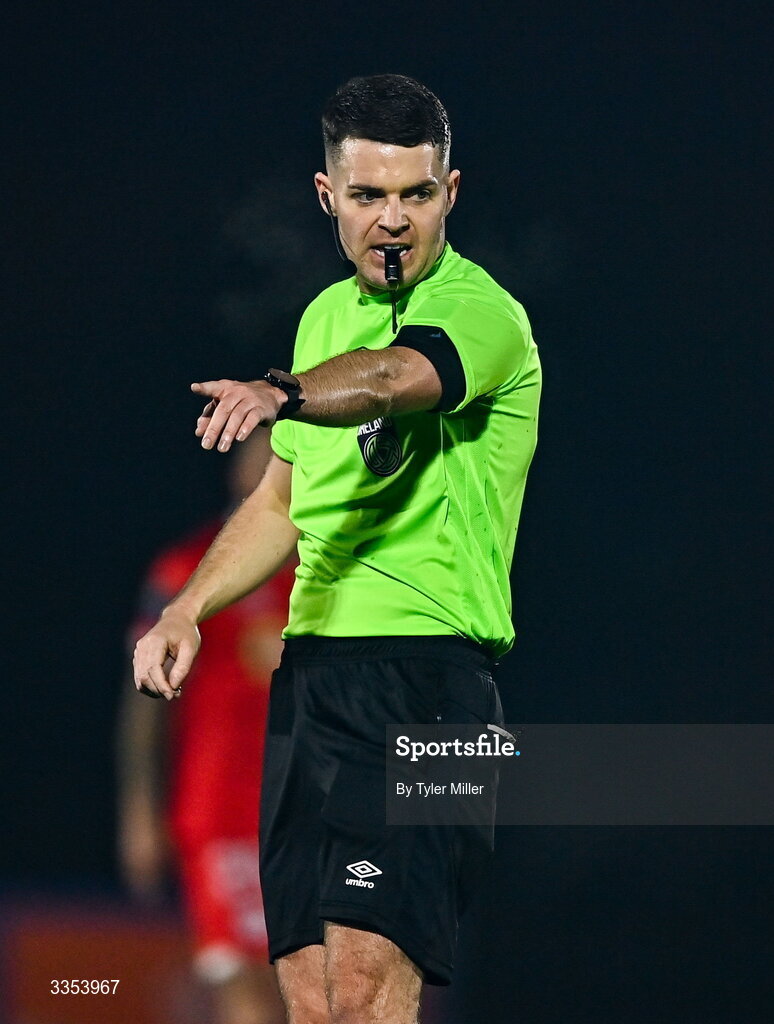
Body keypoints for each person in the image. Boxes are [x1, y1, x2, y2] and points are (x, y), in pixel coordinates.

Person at [134, 73, 541, 1024]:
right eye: (368, 196)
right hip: (313, 687)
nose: (392, 220)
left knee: (364, 993)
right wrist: (189, 609)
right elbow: (282, 502)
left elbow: (397, 374)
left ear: (449, 193)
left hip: (428, 682)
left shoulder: (483, 313)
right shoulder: (323, 320)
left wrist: (281, 389)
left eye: (414, 194)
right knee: (313, 1004)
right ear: (329, 197)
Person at [119, 432, 290, 1024]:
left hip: (314, 810)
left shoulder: (335, 571)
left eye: (284, 452)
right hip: (221, 809)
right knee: (245, 985)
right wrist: (140, 808)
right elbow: (143, 702)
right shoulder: (185, 570)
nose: (267, 463)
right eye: (257, 450)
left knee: (321, 987)